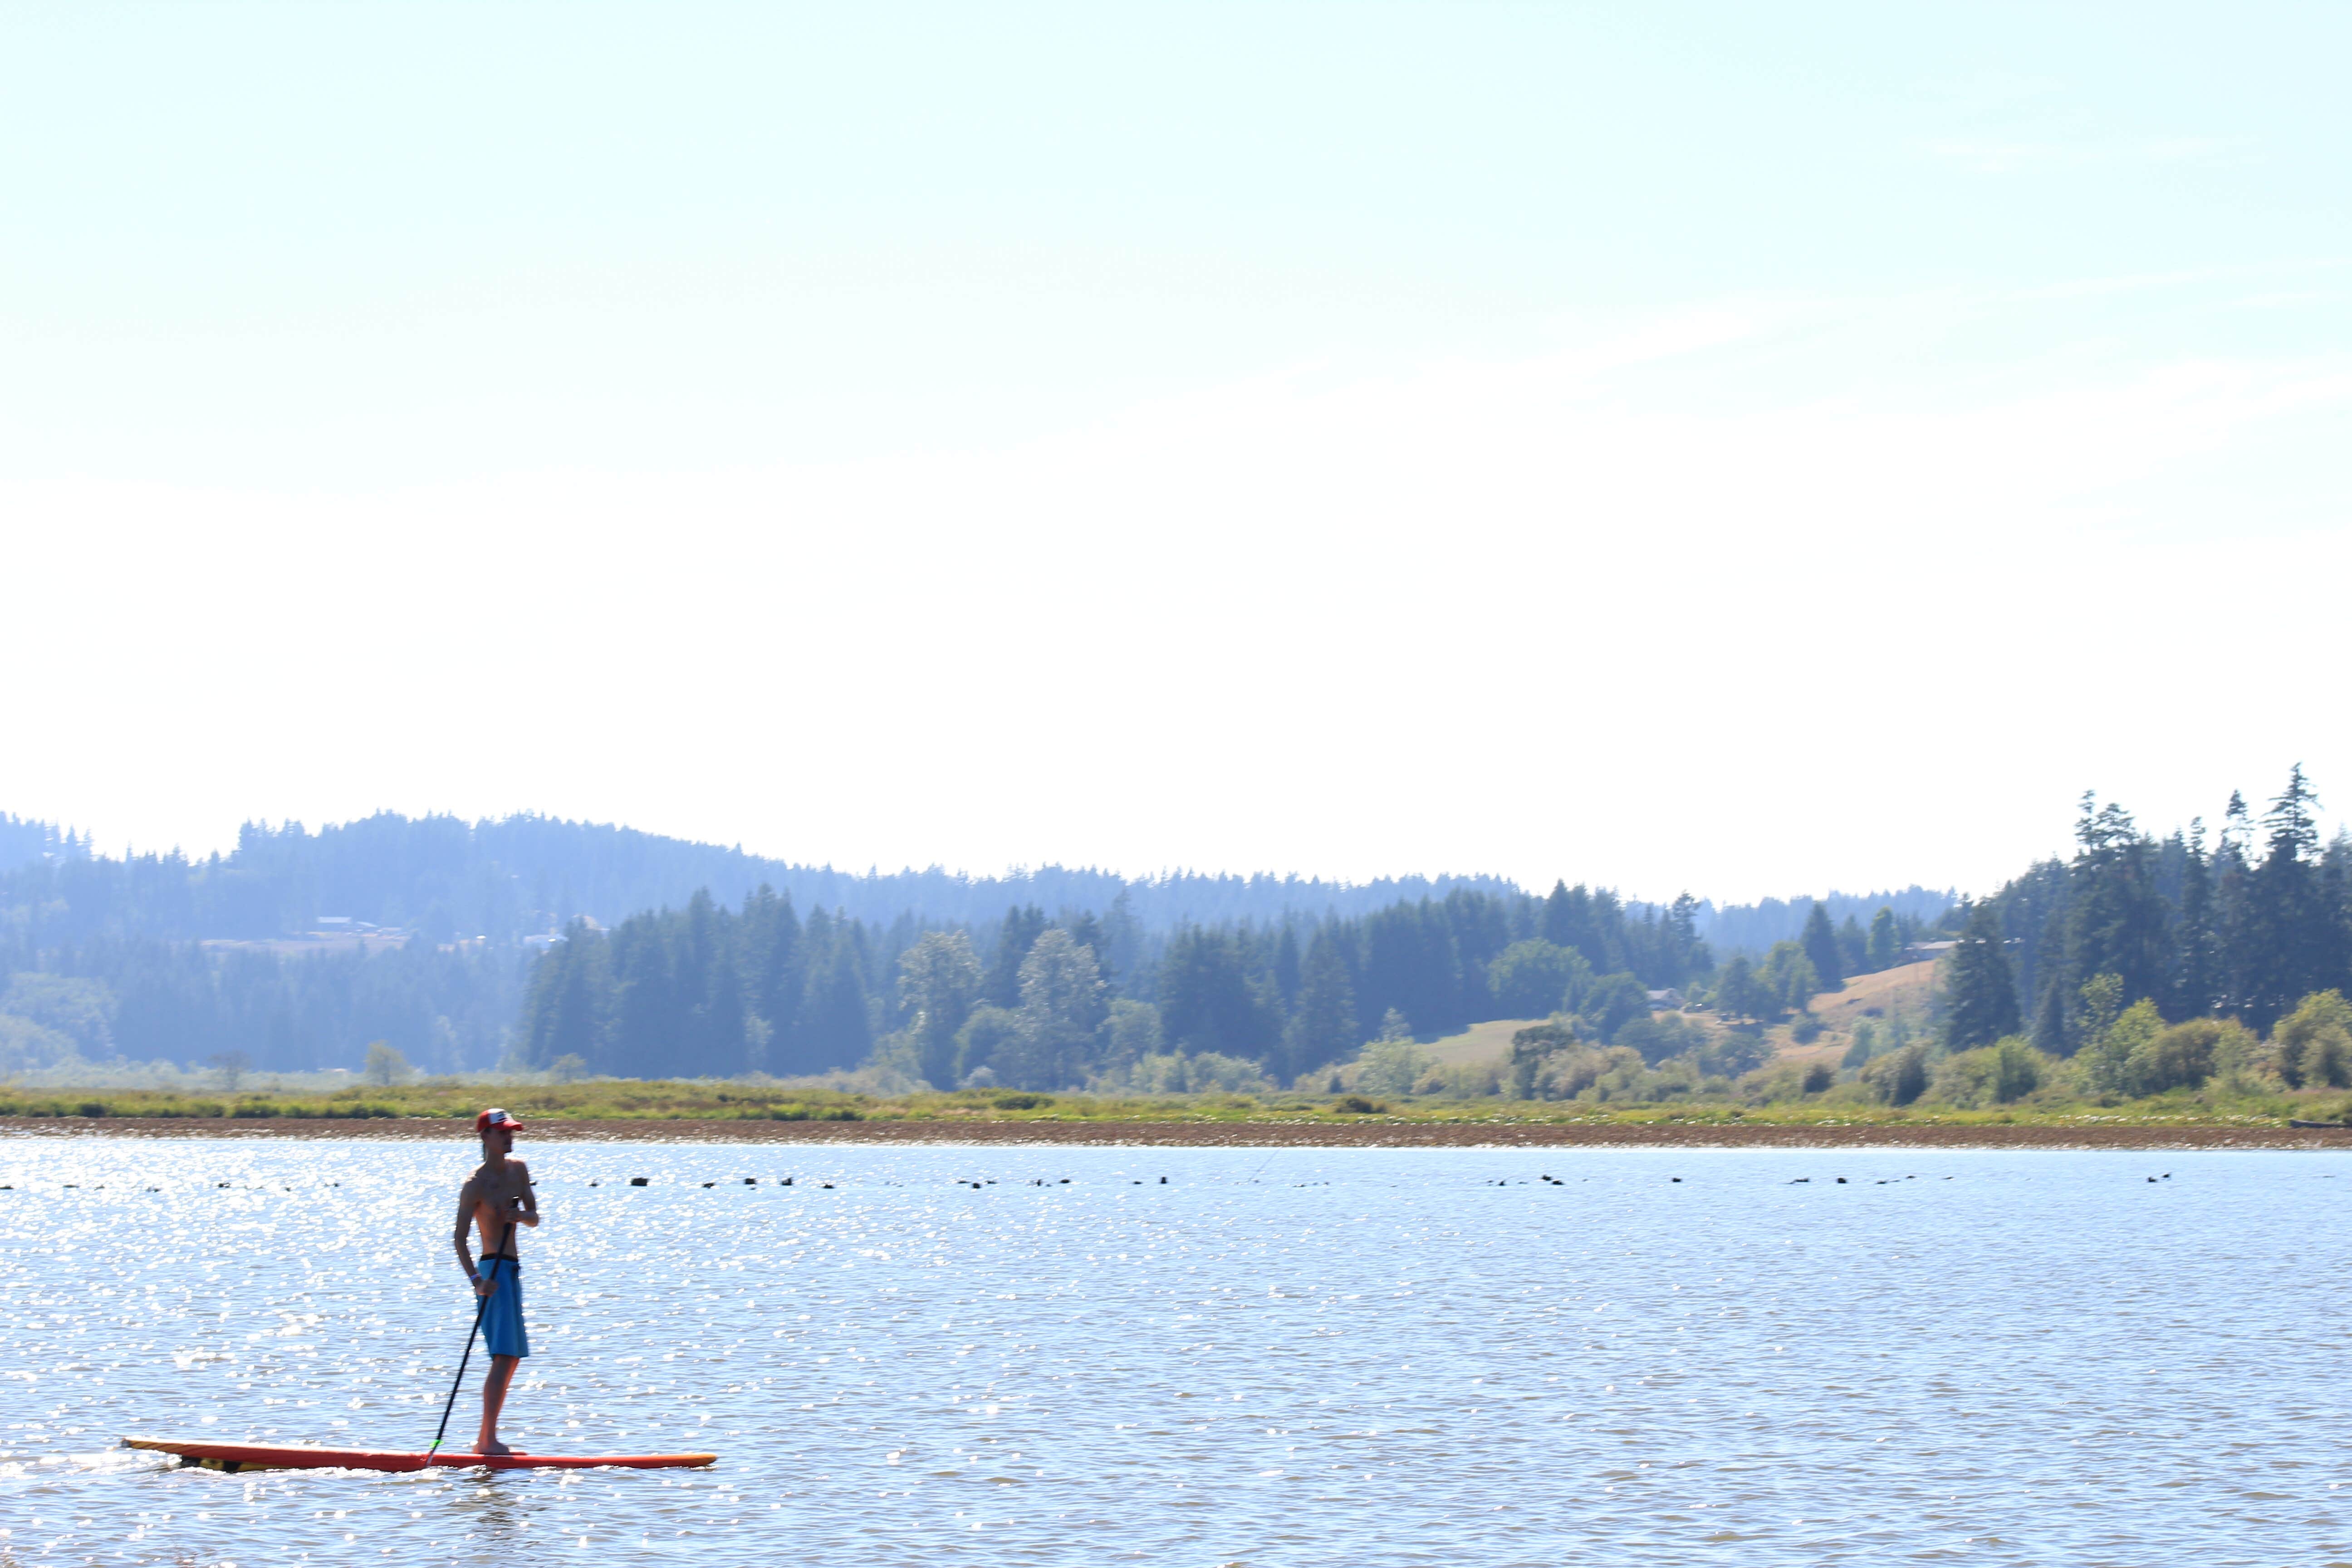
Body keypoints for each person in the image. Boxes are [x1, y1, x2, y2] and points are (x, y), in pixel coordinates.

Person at [452, 1107, 539, 1455]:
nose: (509, 1137)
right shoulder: (474, 1185)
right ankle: (486, 1441)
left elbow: (534, 1218)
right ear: (485, 1137)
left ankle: (488, 1438)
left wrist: (520, 1215)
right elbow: (459, 1239)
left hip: (513, 1270)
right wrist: (476, 1280)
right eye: (502, 1132)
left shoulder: (519, 1171)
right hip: (491, 1272)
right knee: (503, 1355)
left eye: (511, 1132)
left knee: (513, 1356)